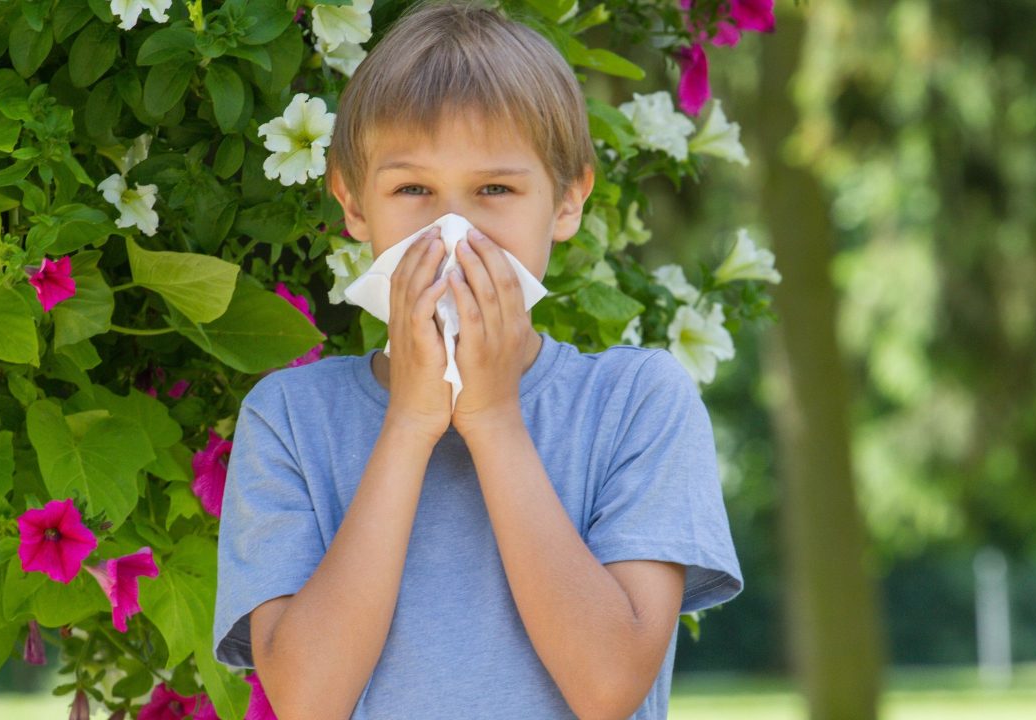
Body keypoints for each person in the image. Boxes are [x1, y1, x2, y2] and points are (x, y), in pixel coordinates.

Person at [213, 0, 743, 717]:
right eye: (413, 189)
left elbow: (610, 685)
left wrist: (493, 418)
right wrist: (409, 423)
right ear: (354, 204)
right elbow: (308, 700)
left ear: (567, 201)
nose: (452, 230)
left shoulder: (638, 403)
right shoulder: (290, 420)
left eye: (495, 189)